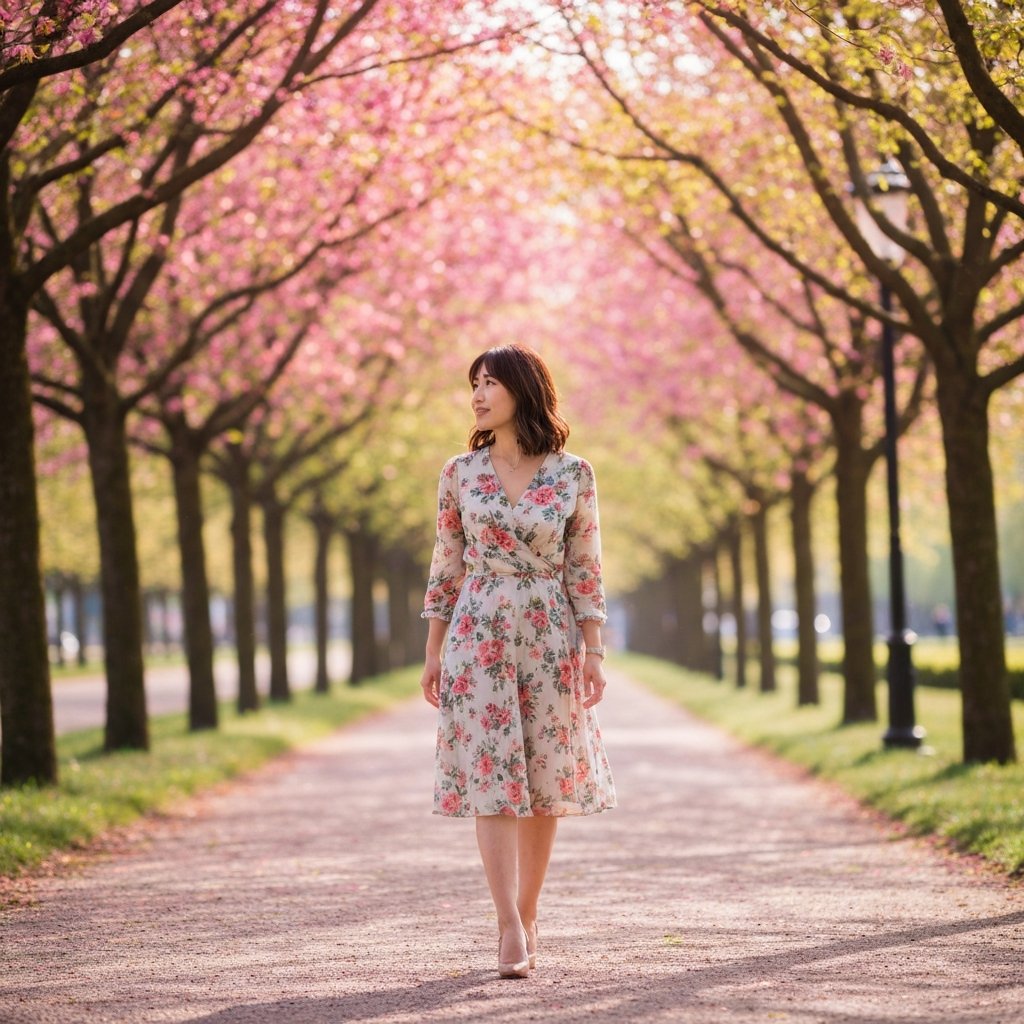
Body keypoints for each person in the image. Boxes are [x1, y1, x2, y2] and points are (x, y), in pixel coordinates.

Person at [420, 343, 616, 980]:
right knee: (492, 775)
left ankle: (529, 913)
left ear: (523, 389)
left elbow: (585, 566)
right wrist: (434, 652)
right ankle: (507, 923)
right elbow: (446, 565)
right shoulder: (459, 472)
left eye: (490, 382)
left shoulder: (573, 473)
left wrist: (595, 650)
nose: (477, 394)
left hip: (548, 630)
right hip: (477, 631)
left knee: (545, 779)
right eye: (473, 382)